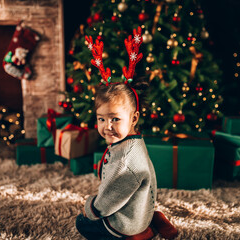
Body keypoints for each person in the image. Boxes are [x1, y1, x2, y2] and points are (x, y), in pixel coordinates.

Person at [75, 27, 178, 240]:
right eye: (101, 119)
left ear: (134, 118)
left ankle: (139, 233)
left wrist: (91, 209)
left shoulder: (126, 162)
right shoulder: (134, 142)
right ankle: (151, 217)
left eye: (115, 119)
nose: (107, 126)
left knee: (83, 223)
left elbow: (111, 198)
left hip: (126, 223)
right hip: (139, 208)